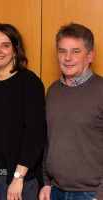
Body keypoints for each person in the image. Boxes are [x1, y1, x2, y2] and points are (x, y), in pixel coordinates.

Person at [0, 23, 46, 200]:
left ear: (15, 51)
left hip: (20, 180)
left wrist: (18, 177)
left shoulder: (29, 83)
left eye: (5, 45)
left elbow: (35, 135)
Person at [39, 23, 103, 200]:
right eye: (62, 51)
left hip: (90, 194)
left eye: (75, 51)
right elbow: (49, 140)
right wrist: (45, 182)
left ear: (90, 56)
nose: (67, 58)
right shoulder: (53, 90)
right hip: (55, 190)